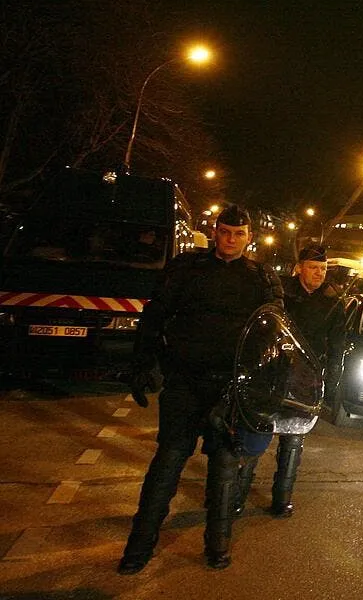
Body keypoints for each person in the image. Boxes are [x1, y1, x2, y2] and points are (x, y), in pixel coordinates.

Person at [118, 205, 284, 574]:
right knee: (167, 464)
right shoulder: (185, 268)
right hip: (185, 381)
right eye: (225, 231)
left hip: (230, 389)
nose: (231, 239)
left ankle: (217, 548)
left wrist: (266, 383)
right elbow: (155, 316)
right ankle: (138, 549)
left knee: (224, 472)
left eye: (238, 234)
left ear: (249, 237)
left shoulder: (262, 278)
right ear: (214, 232)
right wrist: (142, 364)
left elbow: (272, 333)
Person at [233, 244, 341, 519]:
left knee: (293, 438)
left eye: (323, 269)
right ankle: (237, 496)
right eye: (314, 268)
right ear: (299, 268)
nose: (319, 273)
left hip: (306, 378)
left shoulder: (332, 299)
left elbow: (336, 342)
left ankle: (281, 499)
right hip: (273, 373)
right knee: (258, 431)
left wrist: (332, 377)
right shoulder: (282, 292)